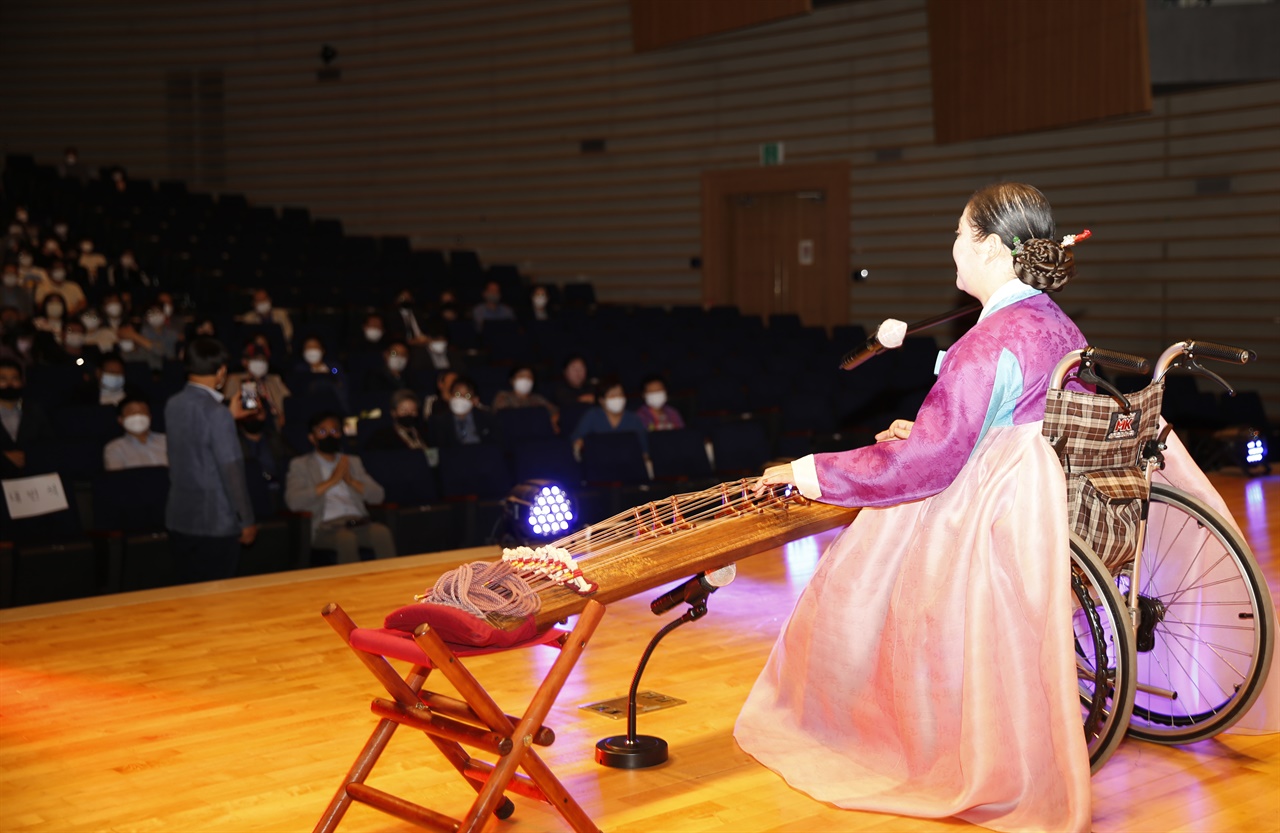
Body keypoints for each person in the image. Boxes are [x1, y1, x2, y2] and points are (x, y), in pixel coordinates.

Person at [736, 183, 1092, 833]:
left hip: (989, 516)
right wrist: (933, 428)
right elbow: (1022, 419)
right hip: (1041, 510)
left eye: (960, 232)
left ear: (989, 247)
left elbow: (923, 465)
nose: (951, 244)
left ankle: (886, 724)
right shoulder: (1058, 324)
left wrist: (809, 469)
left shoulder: (987, 343)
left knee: (858, 572)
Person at [164, 338, 257, 583]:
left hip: (180, 518)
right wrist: (245, 520)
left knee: (188, 593)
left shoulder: (172, 404)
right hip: (215, 522)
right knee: (219, 600)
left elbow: (196, 445)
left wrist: (227, 417)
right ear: (222, 372)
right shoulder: (217, 414)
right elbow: (231, 470)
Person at [285, 411, 396, 563]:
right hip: (325, 528)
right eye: (323, 431)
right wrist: (332, 480)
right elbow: (294, 502)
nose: (330, 435)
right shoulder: (301, 465)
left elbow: (378, 495)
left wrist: (351, 481)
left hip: (358, 523)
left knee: (381, 533)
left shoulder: (351, 462)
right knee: (346, 539)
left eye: (335, 430)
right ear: (312, 438)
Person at [0, 358, 56, 476]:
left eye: (15, 379)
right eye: (3, 379)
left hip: (31, 474)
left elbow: (48, 443)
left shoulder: (34, 410)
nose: (10, 384)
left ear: (22, 381)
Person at [570, 375, 648, 455]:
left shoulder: (633, 419)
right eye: (612, 396)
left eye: (620, 395)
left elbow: (644, 447)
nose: (617, 398)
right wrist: (579, 444)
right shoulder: (592, 416)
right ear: (601, 400)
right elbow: (576, 440)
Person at [426, 376, 498, 447]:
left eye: (467, 396)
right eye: (457, 394)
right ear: (450, 396)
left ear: (475, 400)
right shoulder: (437, 422)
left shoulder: (487, 419)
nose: (461, 399)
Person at [103, 395, 168, 470]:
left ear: (150, 417)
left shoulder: (168, 440)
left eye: (142, 412)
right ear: (120, 419)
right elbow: (117, 478)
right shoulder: (115, 448)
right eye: (132, 413)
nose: (138, 416)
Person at [365, 389, 431, 454]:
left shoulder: (424, 432)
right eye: (404, 410)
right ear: (393, 413)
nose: (409, 414)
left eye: (413, 410)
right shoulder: (383, 437)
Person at [492, 364, 559, 419]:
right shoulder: (503, 396)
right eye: (522, 376)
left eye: (529, 377)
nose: (526, 379)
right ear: (512, 380)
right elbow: (501, 416)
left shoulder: (537, 398)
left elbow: (555, 410)